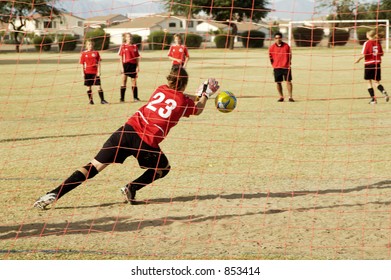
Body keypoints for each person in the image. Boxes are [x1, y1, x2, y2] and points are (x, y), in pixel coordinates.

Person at [33, 67, 220, 209]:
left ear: (169, 79)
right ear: (184, 84)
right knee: (163, 168)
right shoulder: (183, 102)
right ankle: (132, 187)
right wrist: (205, 94)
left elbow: (178, 96)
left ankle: (52, 194)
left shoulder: (160, 89)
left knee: (93, 166)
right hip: (145, 142)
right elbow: (198, 110)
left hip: (127, 131)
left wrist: (197, 95)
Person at [355, 29, 389, 104]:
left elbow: (363, 54)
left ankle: (373, 99)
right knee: (376, 82)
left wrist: (357, 60)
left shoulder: (367, 43)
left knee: (369, 82)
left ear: (368, 35)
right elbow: (381, 54)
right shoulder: (378, 43)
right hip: (377, 64)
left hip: (369, 64)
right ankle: (383, 92)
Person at [79, 40, 108, 105]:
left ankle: (102, 100)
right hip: (87, 72)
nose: (90, 46)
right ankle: (91, 101)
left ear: (93, 45)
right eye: (89, 44)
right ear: (86, 46)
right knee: (88, 87)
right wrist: (82, 73)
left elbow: (99, 62)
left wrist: (99, 71)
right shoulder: (84, 53)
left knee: (99, 86)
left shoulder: (96, 53)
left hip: (95, 72)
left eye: (91, 44)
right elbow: (82, 64)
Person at [269, 32, 294, 102]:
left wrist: (288, 63)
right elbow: (270, 57)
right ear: (274, 39)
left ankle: (290, 97)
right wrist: (274, 65)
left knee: (288, 81)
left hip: (286, 67)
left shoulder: (286, 46)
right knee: (278, 82)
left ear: (281, 38)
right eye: (276, 38)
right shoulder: (272, 48)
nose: (278, 39)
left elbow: (290, 55)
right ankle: (281, 97)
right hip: (277, 67)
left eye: (279, 38)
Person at [119, 33, 140, 102]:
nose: (129, 38)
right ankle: (122, 98)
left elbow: (137, 57)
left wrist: (137, 66)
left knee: (134, 81)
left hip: (133, 65)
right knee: (124, 81)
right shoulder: (123, 46)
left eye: (130, 37)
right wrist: (121, 67)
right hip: (125, 65)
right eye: (128, 37)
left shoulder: (135, 46)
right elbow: (120, 57)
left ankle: (135, 97)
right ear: (125, 38)